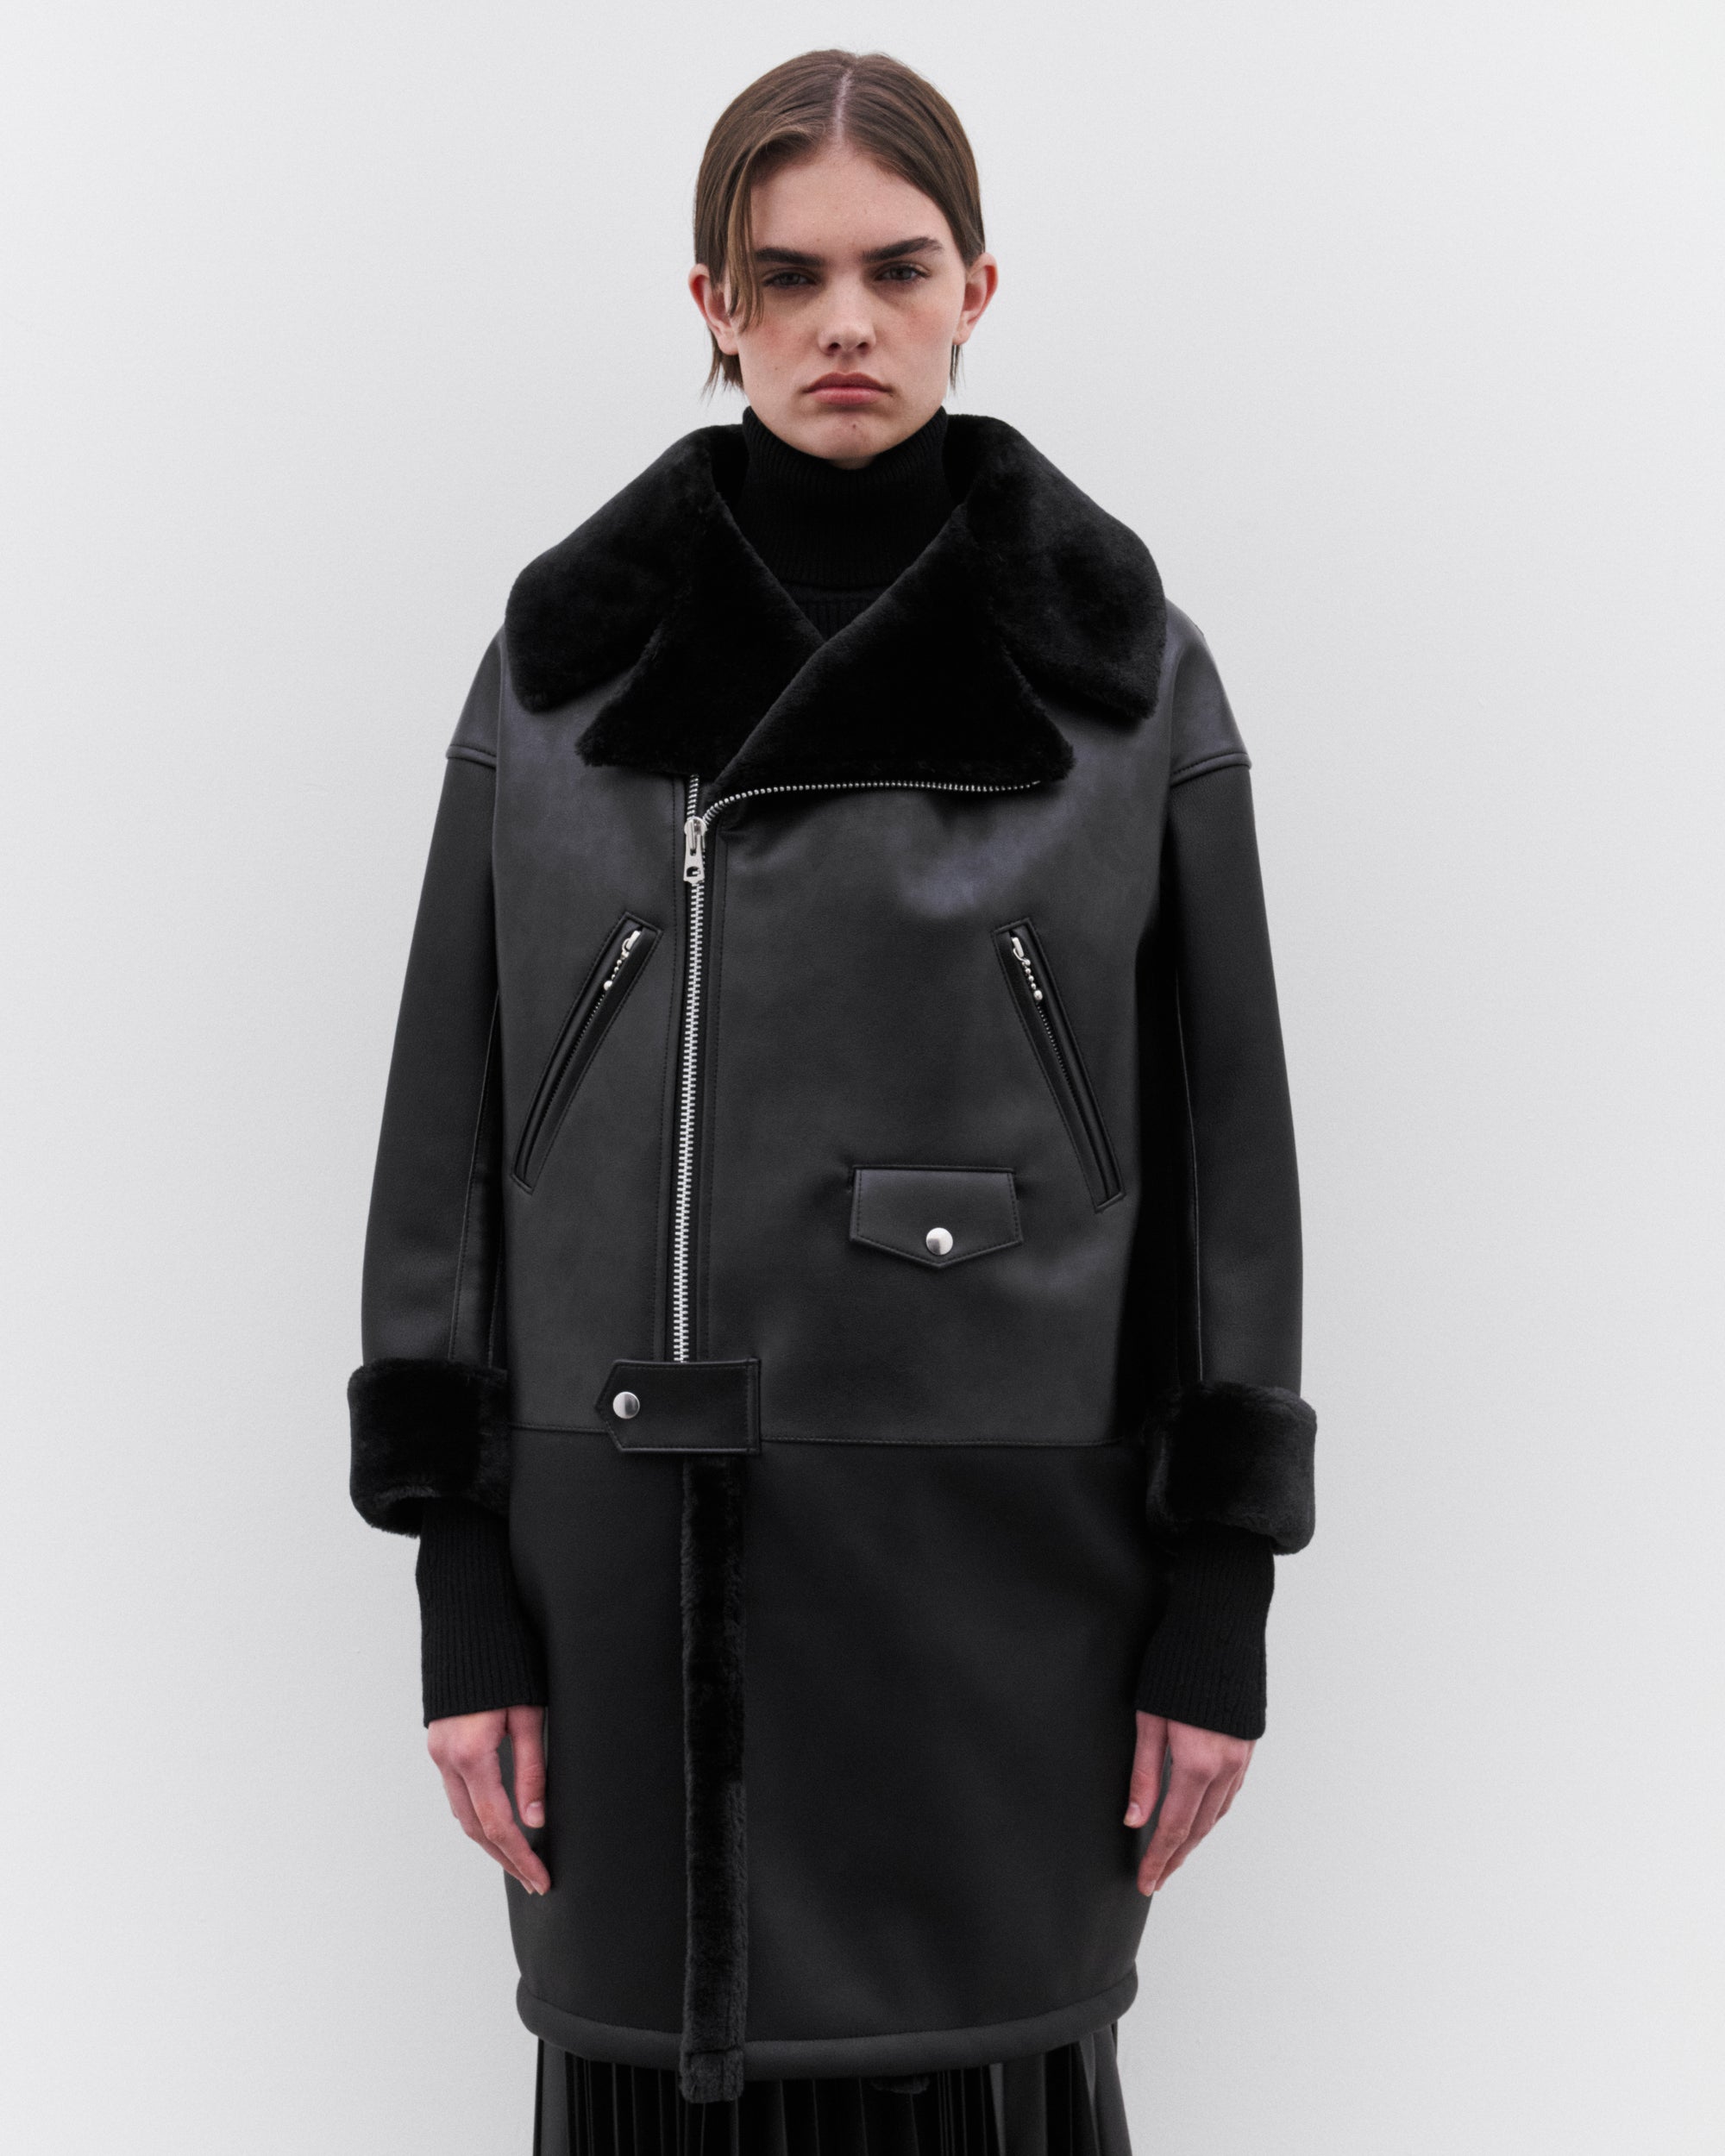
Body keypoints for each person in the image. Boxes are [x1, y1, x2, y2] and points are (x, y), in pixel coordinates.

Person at [348, 47, 1316, 2156]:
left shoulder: (1124, 677)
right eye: (786, 277)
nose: (844, 323)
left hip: (1008, 1573)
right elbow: (447, 1137)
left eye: (896, 268)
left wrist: (1221, 1584)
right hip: (625, 1569)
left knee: (983, 2089)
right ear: (711, 300)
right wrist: (457, 1576)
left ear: (979, 288)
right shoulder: (563, 672)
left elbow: (1226, 1157)